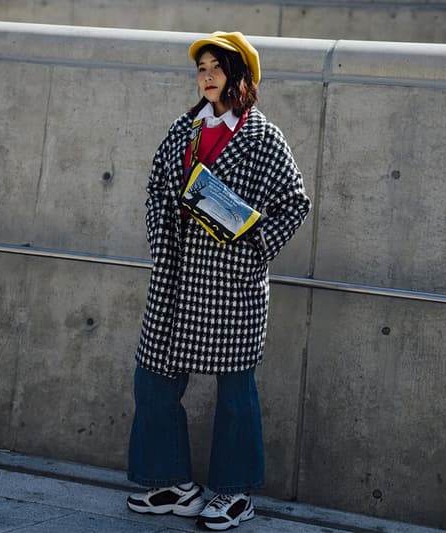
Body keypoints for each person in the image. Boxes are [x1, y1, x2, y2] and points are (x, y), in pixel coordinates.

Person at [125, 31, 311, 531]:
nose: (206, 76)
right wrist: (162, 236)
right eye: (201, 68)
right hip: (174, 275)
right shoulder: (184, 130)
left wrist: (254, 247)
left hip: (232, 283)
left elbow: (295, 202)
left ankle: (232, 492)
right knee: (154, 379)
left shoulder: (262, 137)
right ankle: (172, 481)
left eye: (216, 67)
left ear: (239, 76)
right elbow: (154, 188)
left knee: (235, 392)